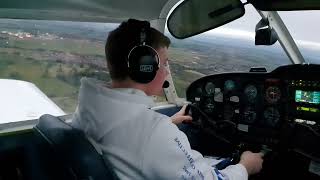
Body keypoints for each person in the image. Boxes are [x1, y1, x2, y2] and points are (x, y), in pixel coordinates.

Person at [72, 19, 263, 180]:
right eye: (163, 64)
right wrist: (246, 166)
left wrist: (168, 123)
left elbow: (127, 138)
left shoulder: (89, 107)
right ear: (144, 67)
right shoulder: (154, 133)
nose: (165, 72)